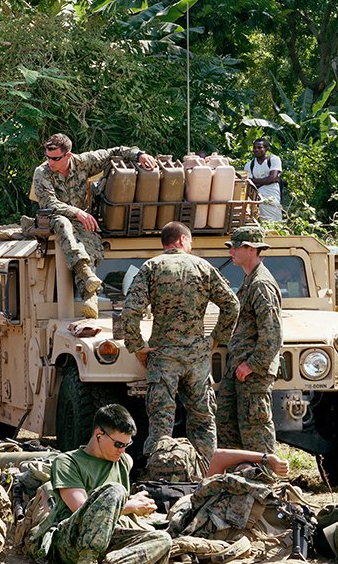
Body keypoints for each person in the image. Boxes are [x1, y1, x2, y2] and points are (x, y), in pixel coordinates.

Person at [118, 220, 238, 466]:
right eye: (191, 241)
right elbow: (232, 304)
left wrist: (138, 346)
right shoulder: (203, 267)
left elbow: (130, 311)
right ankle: (206, 473)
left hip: (163, 357)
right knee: (203, 418)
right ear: (183, 240)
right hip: (197, 358)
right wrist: (216, 339)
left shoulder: (152, 267)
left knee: (161, 420)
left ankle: (160, 474)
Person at [37, 402, 171, 564]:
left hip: (107, 537)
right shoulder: (67, 462)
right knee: (115, 490)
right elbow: (80, 509)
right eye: (118, 444)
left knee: (163, 540)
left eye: (127, 445)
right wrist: (131, 506)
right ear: (99, 434)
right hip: (71, 538)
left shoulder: (124, 461)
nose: (122, 450)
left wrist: (134, 504)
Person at [31, 134, 161, 302]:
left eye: (55, 158)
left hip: (80, 219)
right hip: (52, 217)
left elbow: (115, 152)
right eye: (47, 157)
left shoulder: (83, 162)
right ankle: (84, 272)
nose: (50, 162)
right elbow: (49, 203)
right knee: (63, 223)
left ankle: (89, 297)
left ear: (68, 155)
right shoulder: (42, 172)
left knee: (90, 245)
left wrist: (139, 155)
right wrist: (77, 212)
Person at [218, 225, 283, 455]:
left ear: (251, 249)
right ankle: (239, 478)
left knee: (256, 428)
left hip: (253, 371)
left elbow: (272, 333)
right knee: (227, 423)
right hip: (240, 367)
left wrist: (252, 364)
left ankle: (265, 481)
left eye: (235, 247)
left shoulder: (261, 284)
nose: (231, 252)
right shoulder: (250, 280)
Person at [244, 138, 284, 224]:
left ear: (266, 149)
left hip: (272, 197)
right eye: (254, 148)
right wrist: (268, 180)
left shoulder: (273, 160)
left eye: (259, 147)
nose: (256, 150)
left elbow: (273, 178)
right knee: (259, 221)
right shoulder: (249, 165)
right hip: (257, 199)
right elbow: (249, 184)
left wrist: (255, 182)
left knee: (275, 222)